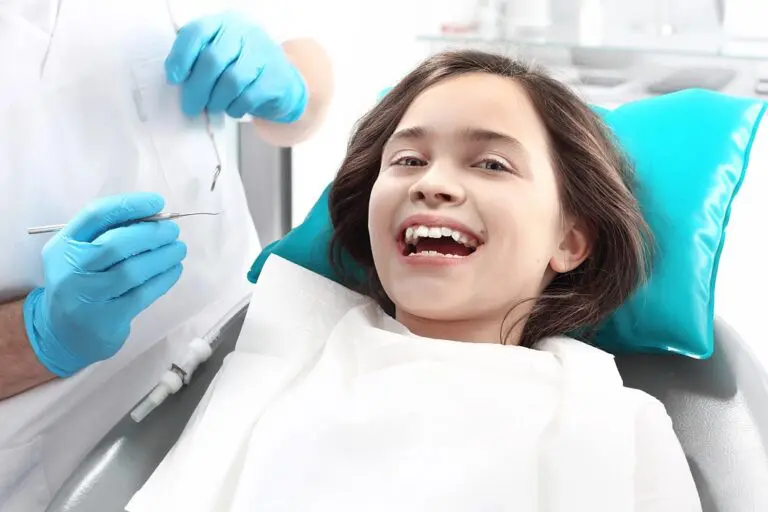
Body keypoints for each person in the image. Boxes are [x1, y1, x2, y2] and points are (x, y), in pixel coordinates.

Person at [128, 50, 702, 511]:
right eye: (406, 160)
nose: (432, 184)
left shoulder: (619, 429)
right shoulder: (273, 374)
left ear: (570, 241)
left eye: (491, 163)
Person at [0, 0, 332, 509]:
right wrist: (40, 334)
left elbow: (306, 65)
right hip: (61, 454)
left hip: (240, 360)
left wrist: (289, 88)